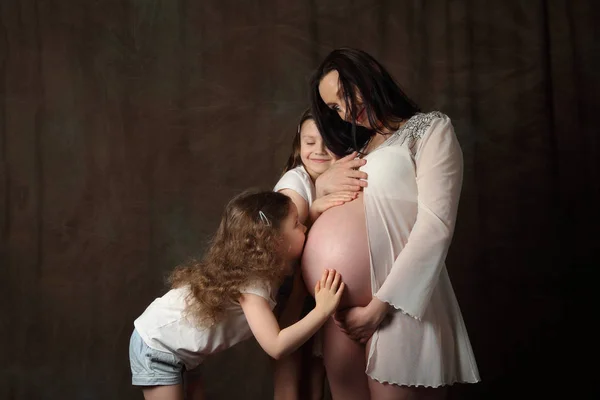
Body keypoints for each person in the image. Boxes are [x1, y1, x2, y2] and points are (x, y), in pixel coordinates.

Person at [300, 47, 480, 399]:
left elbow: (436, 226)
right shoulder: (359, 147)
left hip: (395, 304)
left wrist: (379, 307)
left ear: (369, 76)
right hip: (338, 308)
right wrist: (323, 185)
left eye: (346, 94)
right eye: (335, 107)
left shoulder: (430, 129)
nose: (346, 110)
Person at [128, 190, 345, 400]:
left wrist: (299, 289)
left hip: (183, 351)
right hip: (157, 344)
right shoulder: (252, 284)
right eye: (297, 223)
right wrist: (322, 311)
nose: (304, 228)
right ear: (275, 240)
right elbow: (276, 346)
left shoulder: (267, 269)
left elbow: (283, 324)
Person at [272, 108, 365, 400]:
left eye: (328, 143)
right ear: (299, 144)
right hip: (292, 291)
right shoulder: (294, 184)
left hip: (322, 293)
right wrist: (313, 208)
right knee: (291, 374)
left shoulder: (339, 175)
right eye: (310, 142)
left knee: (317, 369)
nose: (319, 151)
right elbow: (284, 241)